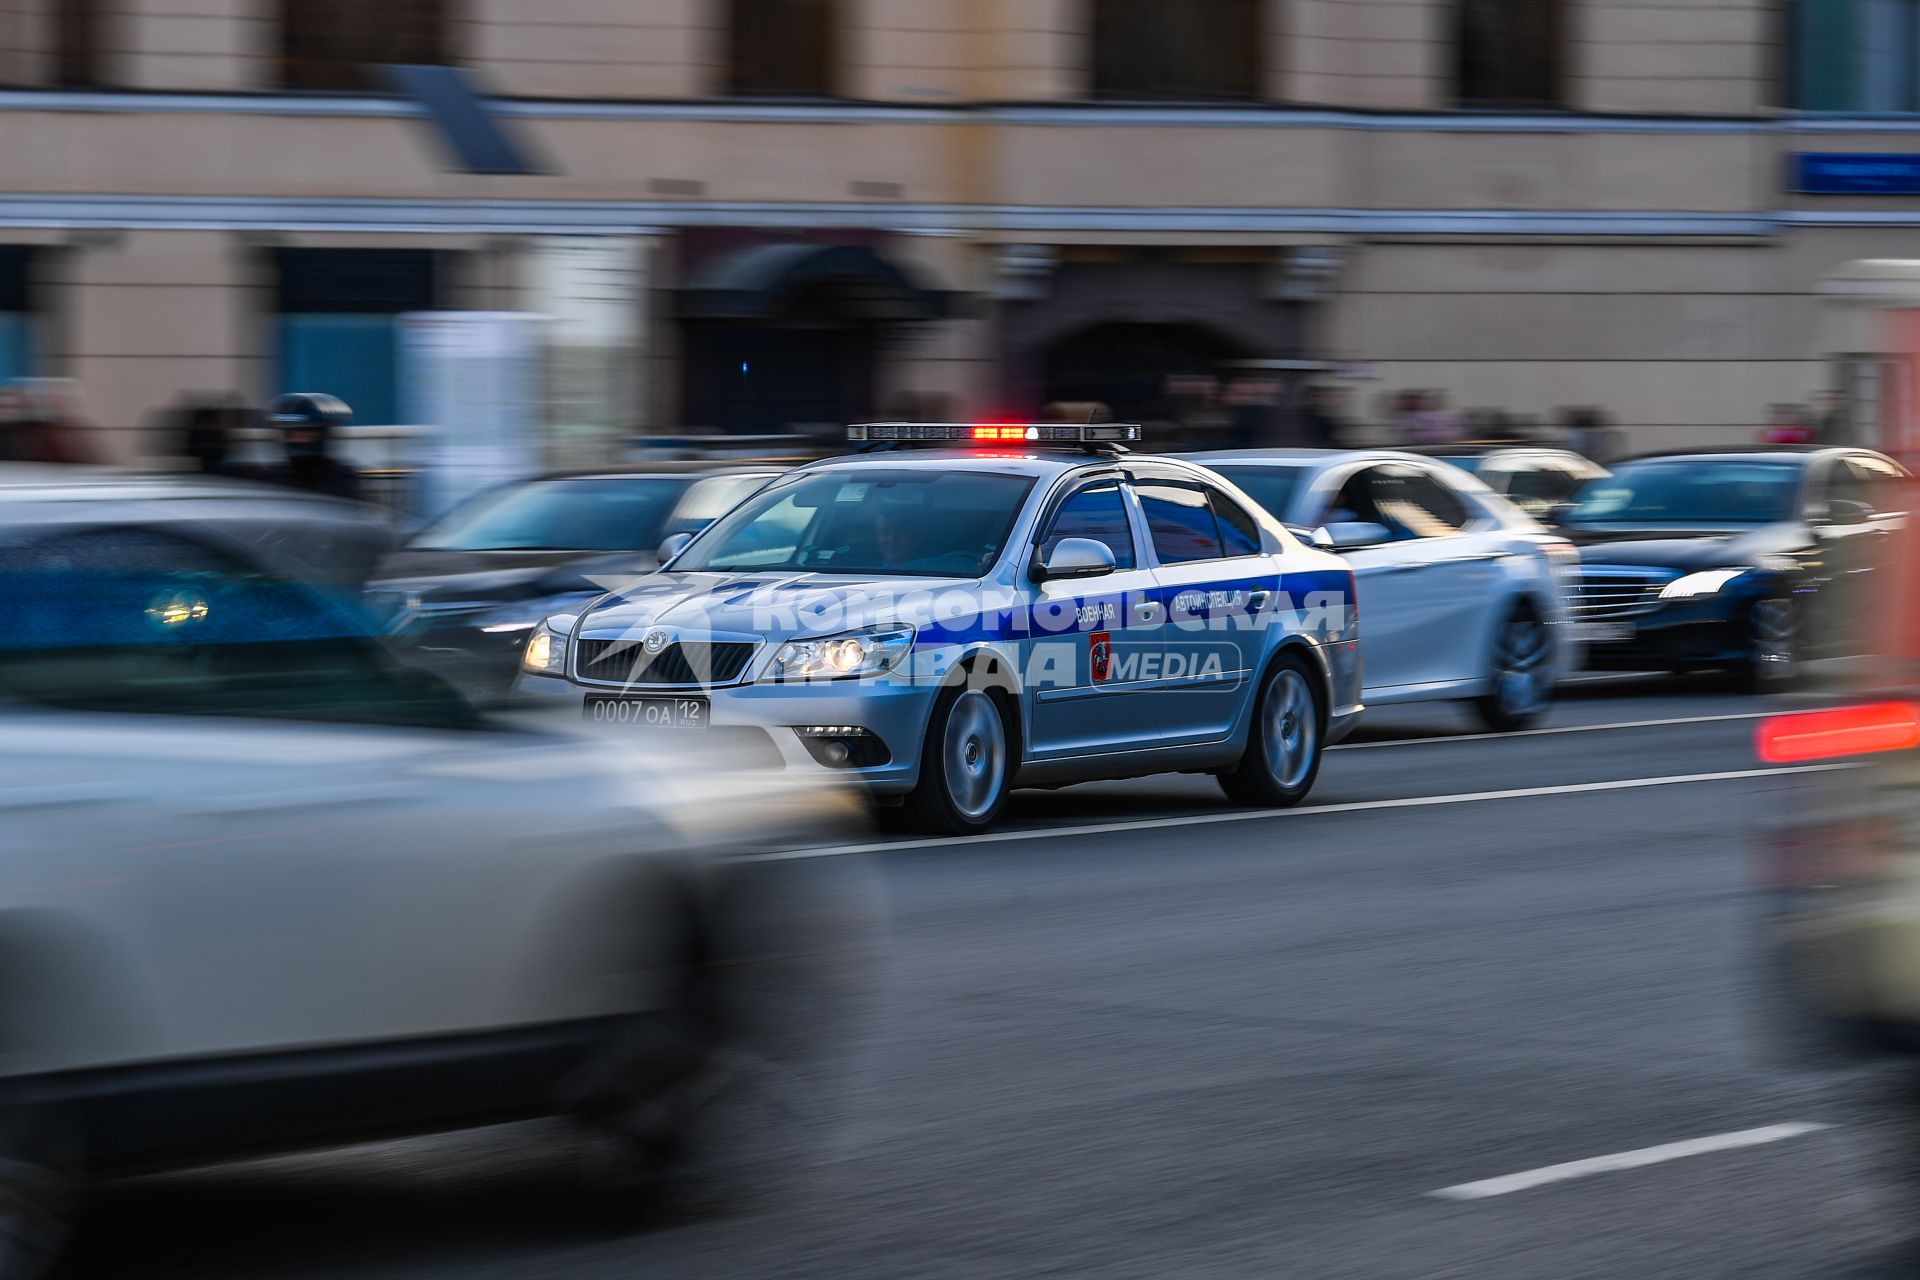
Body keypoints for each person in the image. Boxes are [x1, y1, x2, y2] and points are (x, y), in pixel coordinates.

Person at [267, 392, 362, 501]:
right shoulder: (274, 478)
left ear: (322, 434)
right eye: (291, 434)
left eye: (305, 434)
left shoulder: (341, 478)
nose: (298, 440)